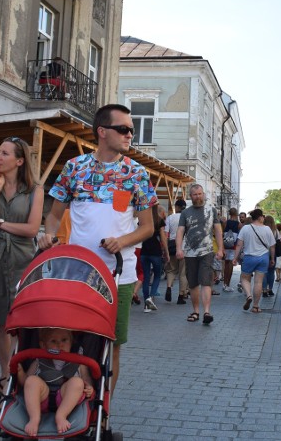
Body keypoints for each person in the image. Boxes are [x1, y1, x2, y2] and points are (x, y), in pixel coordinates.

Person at [39, 104, 156, 391]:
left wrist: (122, 241)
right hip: (78, 273)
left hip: (120, 275)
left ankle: (104, 415)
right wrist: (49, 235)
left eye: (132, 129)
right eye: (124, 129)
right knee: (73, 339)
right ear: (102, 132)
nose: (131, 134)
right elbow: (54, 215)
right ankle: (74, 401)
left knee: (112, 345)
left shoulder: (137, 173)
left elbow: (147, 227)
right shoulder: (74, 167)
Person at [0, 136, 44, 402]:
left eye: (4, 153)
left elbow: (30, 229)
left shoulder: (35, 191)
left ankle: (17, 377)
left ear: (19, 160)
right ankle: (5, 372)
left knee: (20, 323)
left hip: (21, 260)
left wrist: (0, 222)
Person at [19, 328, 95, 436]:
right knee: (32, 380)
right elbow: (25, 383)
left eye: (64, 340)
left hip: (66, 398)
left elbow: (87, 379)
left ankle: (61, 416)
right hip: (42, 397)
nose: (60, 345)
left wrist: (89, 388)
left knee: (78, 382)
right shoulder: (39, 360)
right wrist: (20, 372)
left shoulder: (78, 361)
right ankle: (34, 418)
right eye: (53, 341)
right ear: (43, 345)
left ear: (71, 341)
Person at [176, 183, 224, 325]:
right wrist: (179, 248)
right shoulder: (186, 213)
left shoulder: (211, 210)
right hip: (190, 252)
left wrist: (220, 249)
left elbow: (217, 230)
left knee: (206, 281)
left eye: (200, 194)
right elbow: (180, 231)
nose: (198, 197)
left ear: (203, 194)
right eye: (195, 195)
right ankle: (196, 311)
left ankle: (207, 312)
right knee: (193, 283)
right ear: (191, 196)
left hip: (207, 251)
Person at [233, 209, 275, 313]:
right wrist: (272, 258)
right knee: (258, 282)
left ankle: (248, 295)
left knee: (244, 279)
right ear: (260, 217)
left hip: (249, 257)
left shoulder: (245, 228)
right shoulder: (267, 229)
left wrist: (235, 257)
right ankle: (256, 306)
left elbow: (239, 244)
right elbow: (272, 246)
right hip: (263, 257)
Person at [140, 205, 169, 312]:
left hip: (144, 251)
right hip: (155, 252)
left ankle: (146, 303)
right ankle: (151, 298)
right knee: (157, 275)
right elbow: (163, 238)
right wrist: (167, 253)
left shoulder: (144, 220)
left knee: (146, 278)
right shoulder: (159, 220)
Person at [164, 199, 188, 304]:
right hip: (184, 247)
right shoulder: (187, 218)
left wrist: (165, 249)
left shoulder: (170, 218)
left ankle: (169, 287)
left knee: (171, 270)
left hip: (172, 246)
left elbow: (165, 234)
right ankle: (181, 296)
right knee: (183, 273)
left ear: (177, 207)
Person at [221, 208, 241, 292]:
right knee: (230, 265)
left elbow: (222, 233)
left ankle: (224, 283)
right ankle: (228, 284)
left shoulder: (226, 223)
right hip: (233, 245)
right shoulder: (239, 224)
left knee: (226, 264)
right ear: (236, 214)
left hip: (226, 244)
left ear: (229, 214)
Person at [263, 215, 281, 295]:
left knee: (263, 272)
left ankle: (264, 290)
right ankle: (270, 289)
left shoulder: (262, 229)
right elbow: (279, 241)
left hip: (262, 253)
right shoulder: (275, 231)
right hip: (272, 253)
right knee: (271, 272)